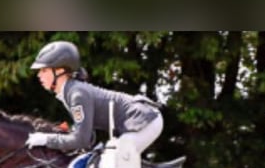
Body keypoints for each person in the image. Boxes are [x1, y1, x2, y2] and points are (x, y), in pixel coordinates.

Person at [26, 40, 163, 156]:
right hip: (139, 118)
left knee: (111, 163)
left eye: (44, 70)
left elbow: (81, 140)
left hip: (144, 120)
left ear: (60, 70)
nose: (39, 75)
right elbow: (87, 137)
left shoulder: (76, 94)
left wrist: (46, 139)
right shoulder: (69, 91)